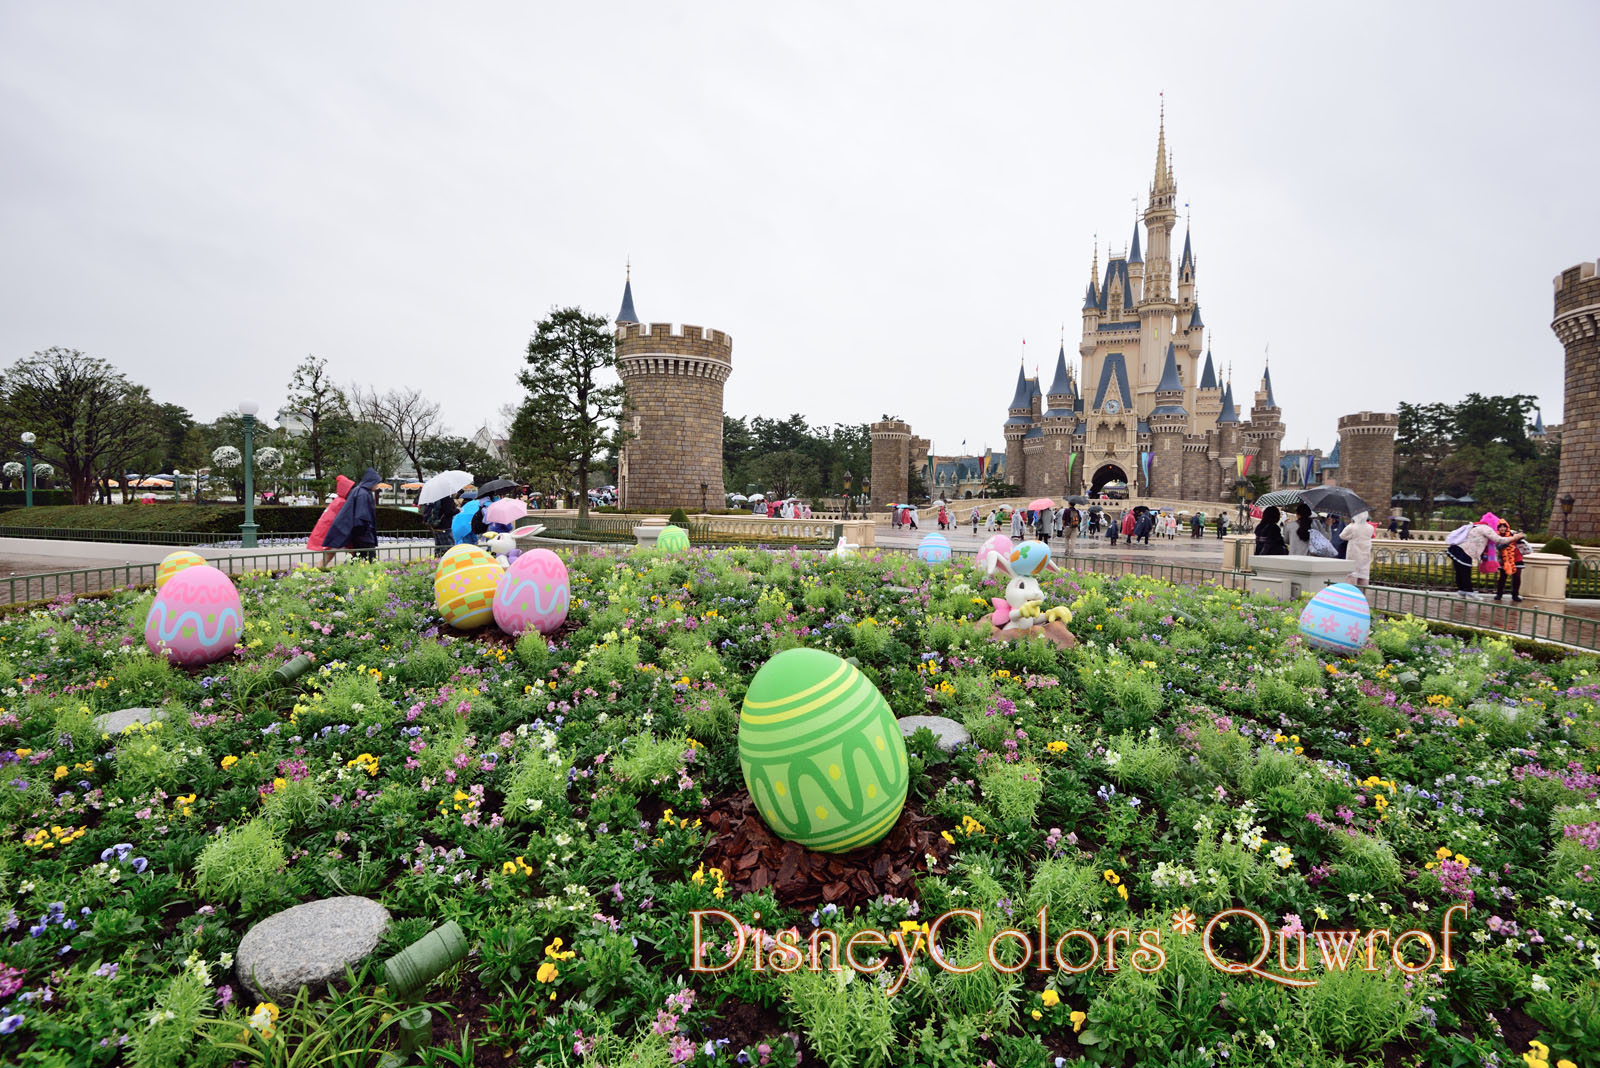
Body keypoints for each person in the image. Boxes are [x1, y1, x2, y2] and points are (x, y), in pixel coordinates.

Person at [1447, 512, 1524, 598]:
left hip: (1456, 549)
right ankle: (1469, 592)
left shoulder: (1476, 526)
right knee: (1465, 572)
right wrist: (1515, 538)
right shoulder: (1486, 528)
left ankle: (1462, 591)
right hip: (1465, 551)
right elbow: (1499, 540)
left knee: (1460, 572)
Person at [325, 468, 381, 561]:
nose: (378, 485)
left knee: (357, 560)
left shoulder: (360, 491)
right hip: (364, 535)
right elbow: (361, 516)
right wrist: (365, 531)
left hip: (360, 535)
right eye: (377, 482)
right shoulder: (364, 494)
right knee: (367, 559)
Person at [308, 475, 355, 566]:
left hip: (330, 531)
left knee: (332, 554)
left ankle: (317, 570)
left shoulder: (337, 501)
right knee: (346, 551)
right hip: (334, 532)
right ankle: (347, 568)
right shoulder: (342, 502)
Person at [420, 486, 459, 558]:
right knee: (449, 549)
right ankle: (448, 565)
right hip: (445, 526)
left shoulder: (436, 496)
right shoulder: (447, 497)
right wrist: (457, 510)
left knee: (439, 548)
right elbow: (448, 512)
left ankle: (437, 563)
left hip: (436, 525)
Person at [1493, 519, 1525, 602]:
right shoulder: (1496, 536)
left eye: (1504, 526)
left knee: (1517, 577)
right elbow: (1498, 547)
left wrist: (1519, 536)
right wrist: (1506, 542)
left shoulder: (1512, 533)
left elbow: (1524, 536)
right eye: (1500, 527)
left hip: (1517, 558)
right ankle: (1499, 594)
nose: (1502, 528)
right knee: (1503, 577)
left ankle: (1515, 595)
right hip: (1505, 559)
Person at [1340, 510, 1374, 586]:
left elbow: (1342, 536)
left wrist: (1351, 537)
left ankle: (1351, 593)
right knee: (1364, 572)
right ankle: (1363, 593)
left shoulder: (1352, 526)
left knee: (1352, 571)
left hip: (1353, 551)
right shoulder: (1370, 527)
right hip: (1365, 552)